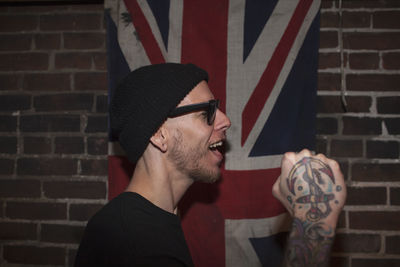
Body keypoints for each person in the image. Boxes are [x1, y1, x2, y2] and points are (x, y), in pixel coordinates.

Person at [74, 63, 346, 266]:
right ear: (159, 134)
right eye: (207, 112)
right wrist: (314, 225)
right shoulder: (135, 245)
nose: (225, 121)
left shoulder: (150, 222)